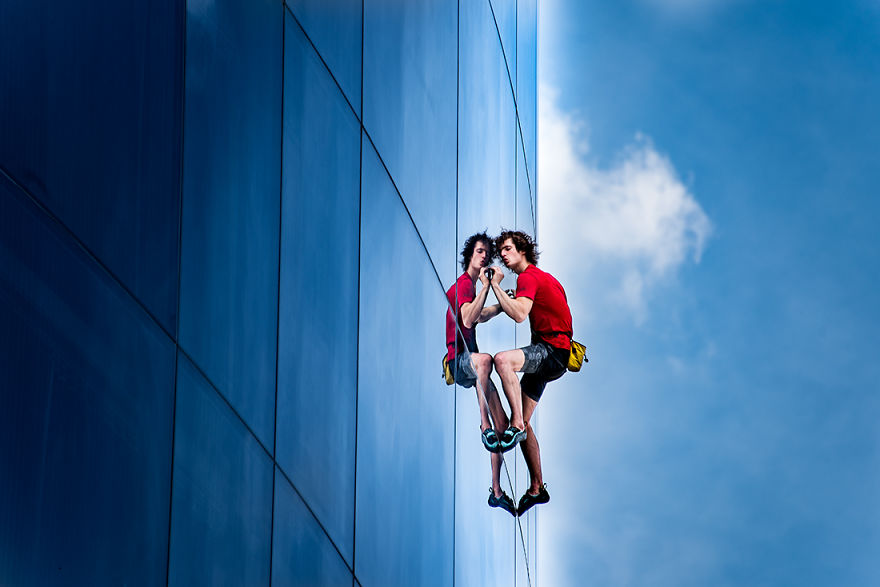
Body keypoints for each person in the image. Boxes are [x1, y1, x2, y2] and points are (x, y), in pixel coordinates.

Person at [488, 230, 572, 516]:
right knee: (524, 420)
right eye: (501, 251)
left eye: (508, 249)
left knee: (502, 360)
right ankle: (537, 488)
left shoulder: (528, 277)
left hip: (551, 351)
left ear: (523, 250)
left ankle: (516, 426)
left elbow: (520, 314)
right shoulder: (546, 279)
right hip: (556, 354)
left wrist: (496, 286)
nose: (503, 255)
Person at [445, 232, 515, 516]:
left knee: (505, 424)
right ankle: (483, 426)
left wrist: (499, 305)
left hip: (474, 366)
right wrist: (488, 285)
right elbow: (468, 318)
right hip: (459, 362)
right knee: (486, 360)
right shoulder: (464, 284)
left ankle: (496, 491)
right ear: (469, 255)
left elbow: (479, 314)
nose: (485, 256)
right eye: (480, 251)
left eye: (487, 252)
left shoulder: (473, 288)